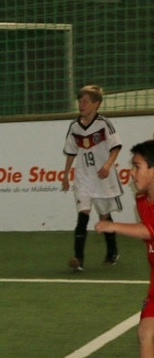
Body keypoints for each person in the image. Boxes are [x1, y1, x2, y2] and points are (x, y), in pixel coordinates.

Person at [98, 140, 154, 358]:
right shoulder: (142, 200)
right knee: (146, 331)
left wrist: (113, 226)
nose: (131, 173)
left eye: (137, 166)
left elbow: (149, 231)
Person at [60, 84, 123, 272]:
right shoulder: (74, 126)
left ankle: (112, 251)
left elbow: (116, 147)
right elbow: (71, 152)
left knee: (104, 216)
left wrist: (107, 165)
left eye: (85, 101)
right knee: (83, 215)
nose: (81, 104)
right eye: (79, 101)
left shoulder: (103, 123)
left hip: (101, 178)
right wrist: (65, 175)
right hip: (83, 178)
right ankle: (78, 259)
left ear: (96, 104)